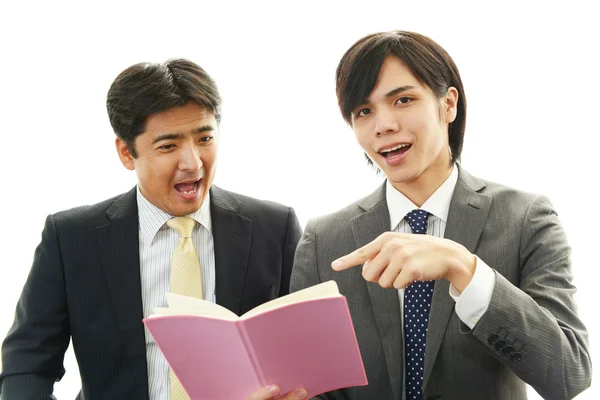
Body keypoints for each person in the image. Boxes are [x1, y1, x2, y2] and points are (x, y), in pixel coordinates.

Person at [290, 31, 591, 400]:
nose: (383, 125)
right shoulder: (324, 240)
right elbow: (313, 384)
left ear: (448, 104)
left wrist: (463, 267)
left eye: (403, 99)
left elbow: (568, 375)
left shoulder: (525, 218)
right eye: (363, 111)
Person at [0, 59, 307, 400]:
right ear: (126, 153)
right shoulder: (71, 238)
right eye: (168, 146)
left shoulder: (274, 229)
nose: (193, 162)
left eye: (204, 138)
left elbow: (309, 360)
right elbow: (26, 367)